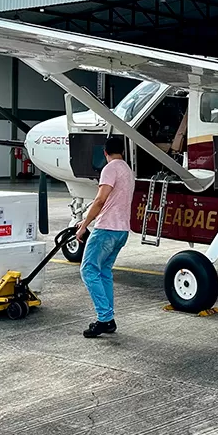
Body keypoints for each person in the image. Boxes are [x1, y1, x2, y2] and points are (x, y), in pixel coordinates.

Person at [76, 135, 135, 338]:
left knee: (88, 270)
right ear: (123, 152)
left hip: (106, 229)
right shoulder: (127, 170)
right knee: (104, 272)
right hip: (122, 230)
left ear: (105, 152)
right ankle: (108, 318)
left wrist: (84, 225)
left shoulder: (110, 168)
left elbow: (101, 200)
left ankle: (104, 318)